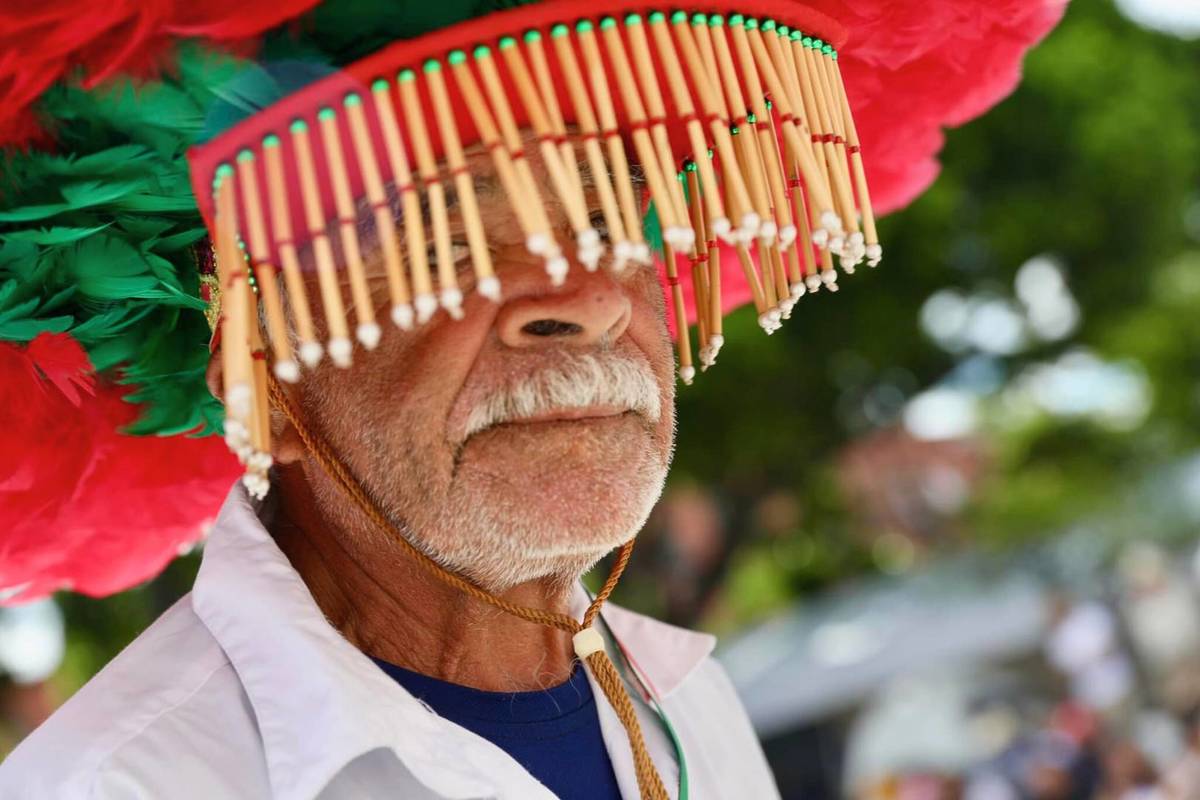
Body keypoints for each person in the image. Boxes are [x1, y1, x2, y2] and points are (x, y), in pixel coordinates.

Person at [0, 0, 1065, 797]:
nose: (585, 301)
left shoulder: (686, 697)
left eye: (617, 221)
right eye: (448, 242)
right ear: (255, 346)